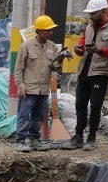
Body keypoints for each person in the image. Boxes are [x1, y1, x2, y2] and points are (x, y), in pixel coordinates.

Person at [69, 0, 108, 150]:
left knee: (95, 105)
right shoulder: (89, 27)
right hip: (84, 71)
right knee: (80, 104)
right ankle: (78, 136)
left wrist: (100, 50)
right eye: (90, 14)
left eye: (94, 13)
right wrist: (78, 49)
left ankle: (92, 137)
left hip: (101, 72)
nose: (91, 16)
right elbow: (82, 46)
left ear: (103, 11)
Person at [12, 15, 67, 153]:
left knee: (38, 116)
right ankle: (20, 141)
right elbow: (18, 68)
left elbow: (54, 67)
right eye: (48, 30)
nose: (51, 32)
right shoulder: (26, 46)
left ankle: (34, 140)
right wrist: (21, 85)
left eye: (51, 29)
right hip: (29, 88)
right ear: (40, 30)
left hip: (43, 89)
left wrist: (60, 58)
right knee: (24, 115)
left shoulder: (52, 47)